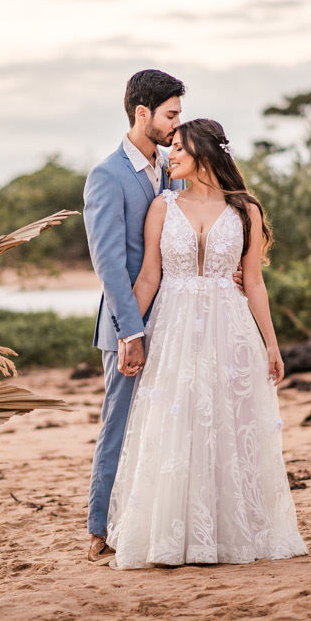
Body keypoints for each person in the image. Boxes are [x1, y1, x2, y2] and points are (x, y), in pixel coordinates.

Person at [105, 118, 308, 569]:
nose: (169, 155)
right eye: (169, 147)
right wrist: (128, 333)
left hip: (229, 329)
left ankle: (227, 532)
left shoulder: (244, 210)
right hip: (173, 328)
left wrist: (272, 345)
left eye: (178, 148)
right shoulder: (163, 206)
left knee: (227, 427)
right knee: (175, 425)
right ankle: (173, 536)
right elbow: (149, 277)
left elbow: (253, 281)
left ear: (202, 152)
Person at [83, 69, 185, 563]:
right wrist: (132, 332)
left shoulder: (173, 167)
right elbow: (108, 265)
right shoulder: (107, 175)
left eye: (179, 114)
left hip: (175, 319)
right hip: (127, 326)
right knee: (118, 425)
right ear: (142, 113)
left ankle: (145, 520)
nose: (176, 124)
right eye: (170, 114)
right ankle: (99, 529)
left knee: (161, 425)